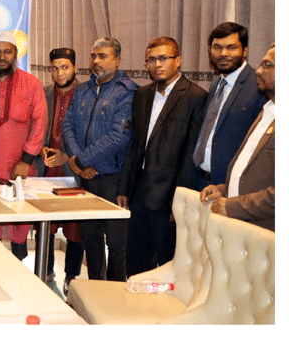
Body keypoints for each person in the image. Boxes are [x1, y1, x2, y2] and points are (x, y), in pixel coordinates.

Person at [117, 37, 207, 277]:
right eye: (151, 60)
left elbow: (191, 155)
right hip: (139, 192)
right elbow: (135, 144)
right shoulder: (142, 94)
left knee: (168, 266)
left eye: (163, 58)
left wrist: (180, 200)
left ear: (178, 60)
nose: (157, 64)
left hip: (169, 197)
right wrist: (125, 187)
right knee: (136, 263)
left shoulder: (195, 96)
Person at [62, 37, 138, 282]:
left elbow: (119, 136)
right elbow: (68, 125)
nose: (96, 61)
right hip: (87, 178)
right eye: (93, 56)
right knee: (91, 240)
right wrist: (78, 162)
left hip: (113, 178)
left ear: (117, 60)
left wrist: (80, 161)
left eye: (102, 56)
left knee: (116, 243)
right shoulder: (83, 89)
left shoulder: (127, 91)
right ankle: (94, 288)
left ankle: (115, 294)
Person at [0, 31, 47, 262]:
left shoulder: (32, 84)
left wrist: (26, 161)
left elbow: (40, 124)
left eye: (7, 52)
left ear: (15, 54)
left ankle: (19, 271)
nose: (2, 57)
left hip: (19, 168)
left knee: (17, 227)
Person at [200, 44, 275, 231]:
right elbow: (256, 174)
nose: (259, 71)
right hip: (244, 229)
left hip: (266, 232)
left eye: (268, 65)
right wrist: (224, 190)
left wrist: (234, 206)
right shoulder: (268, 111)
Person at [192, 22, 267, 190]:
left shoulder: (259, 86)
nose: (223, 54)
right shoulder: (216, 85)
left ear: (245, 51)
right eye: (217, 47)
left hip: (232, 186)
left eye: (231, 47)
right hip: (201, 181)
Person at [34, 47, 84, 292]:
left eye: (65, 67)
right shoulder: (43, 93)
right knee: (46, 224)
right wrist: (40, 148)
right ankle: (46, 271)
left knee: (76, 228)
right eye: (55, 68)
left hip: (73, 168)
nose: (59, 73)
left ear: (75, 68)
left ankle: (71, 277)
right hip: (47, 168)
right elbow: (36, 125)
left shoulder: (86, 94)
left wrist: (68, 156)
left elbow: (90, 133)